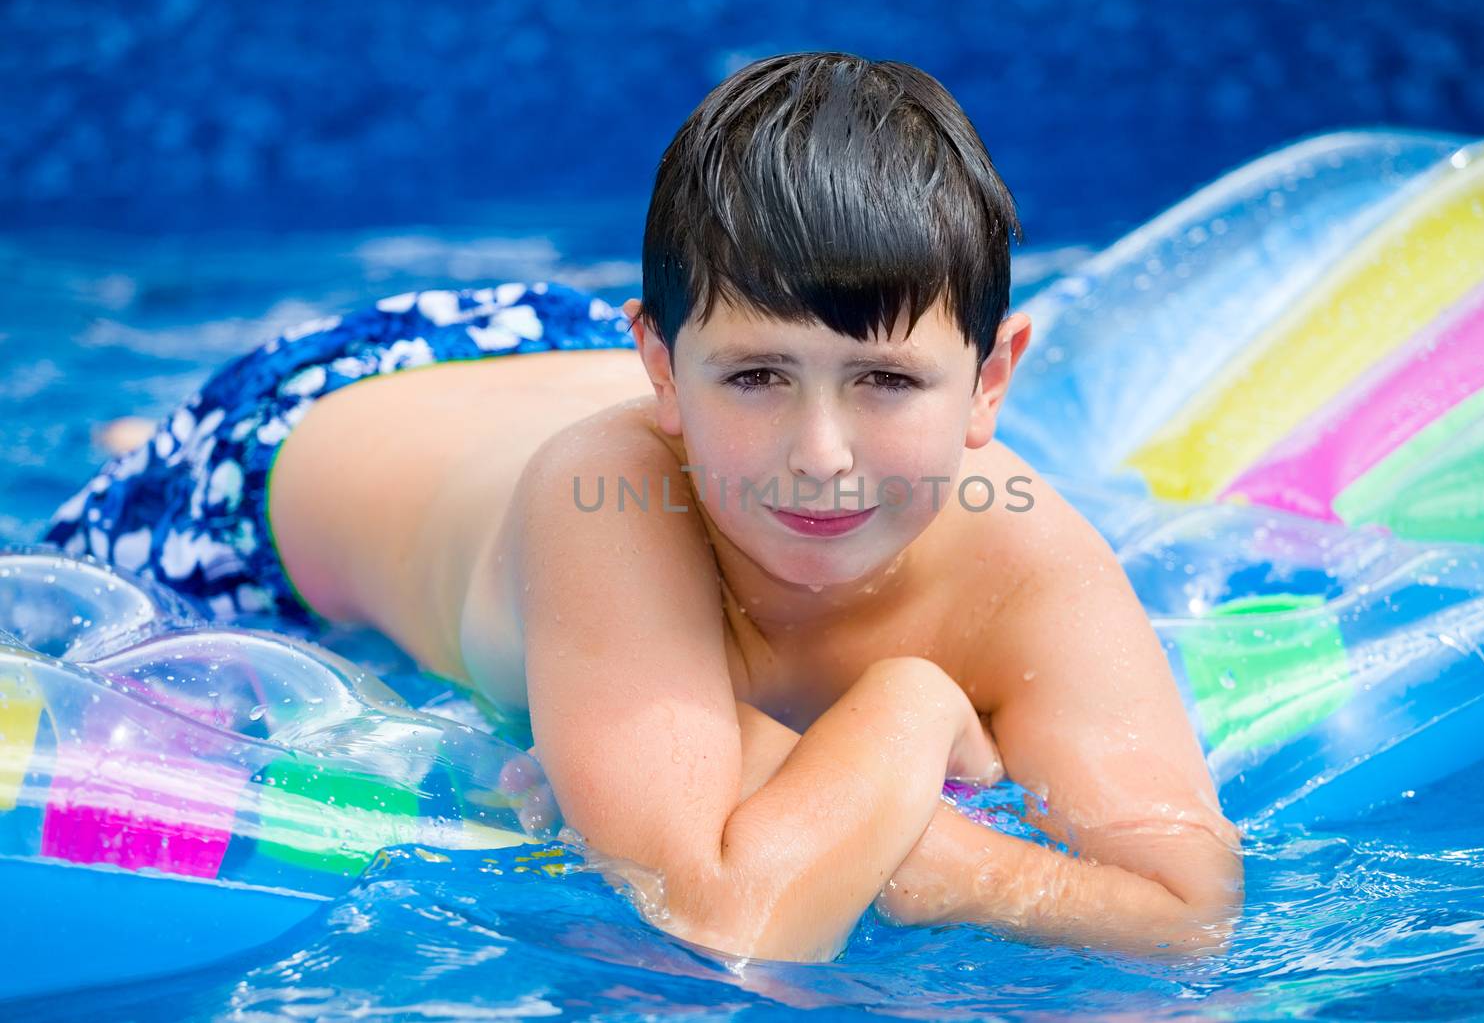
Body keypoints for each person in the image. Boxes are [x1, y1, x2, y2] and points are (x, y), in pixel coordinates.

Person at [43, 51, 1243, 963]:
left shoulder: (1026, 551)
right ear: (662, 370)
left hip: (575, 346)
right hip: (286, 447)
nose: (822, 460)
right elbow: (724, 919)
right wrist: (911, 705)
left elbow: (1190, 913)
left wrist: (934, 857)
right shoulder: (604, 501)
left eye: (886, 381)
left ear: (991, 380)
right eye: (760, 379)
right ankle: (141, 427)